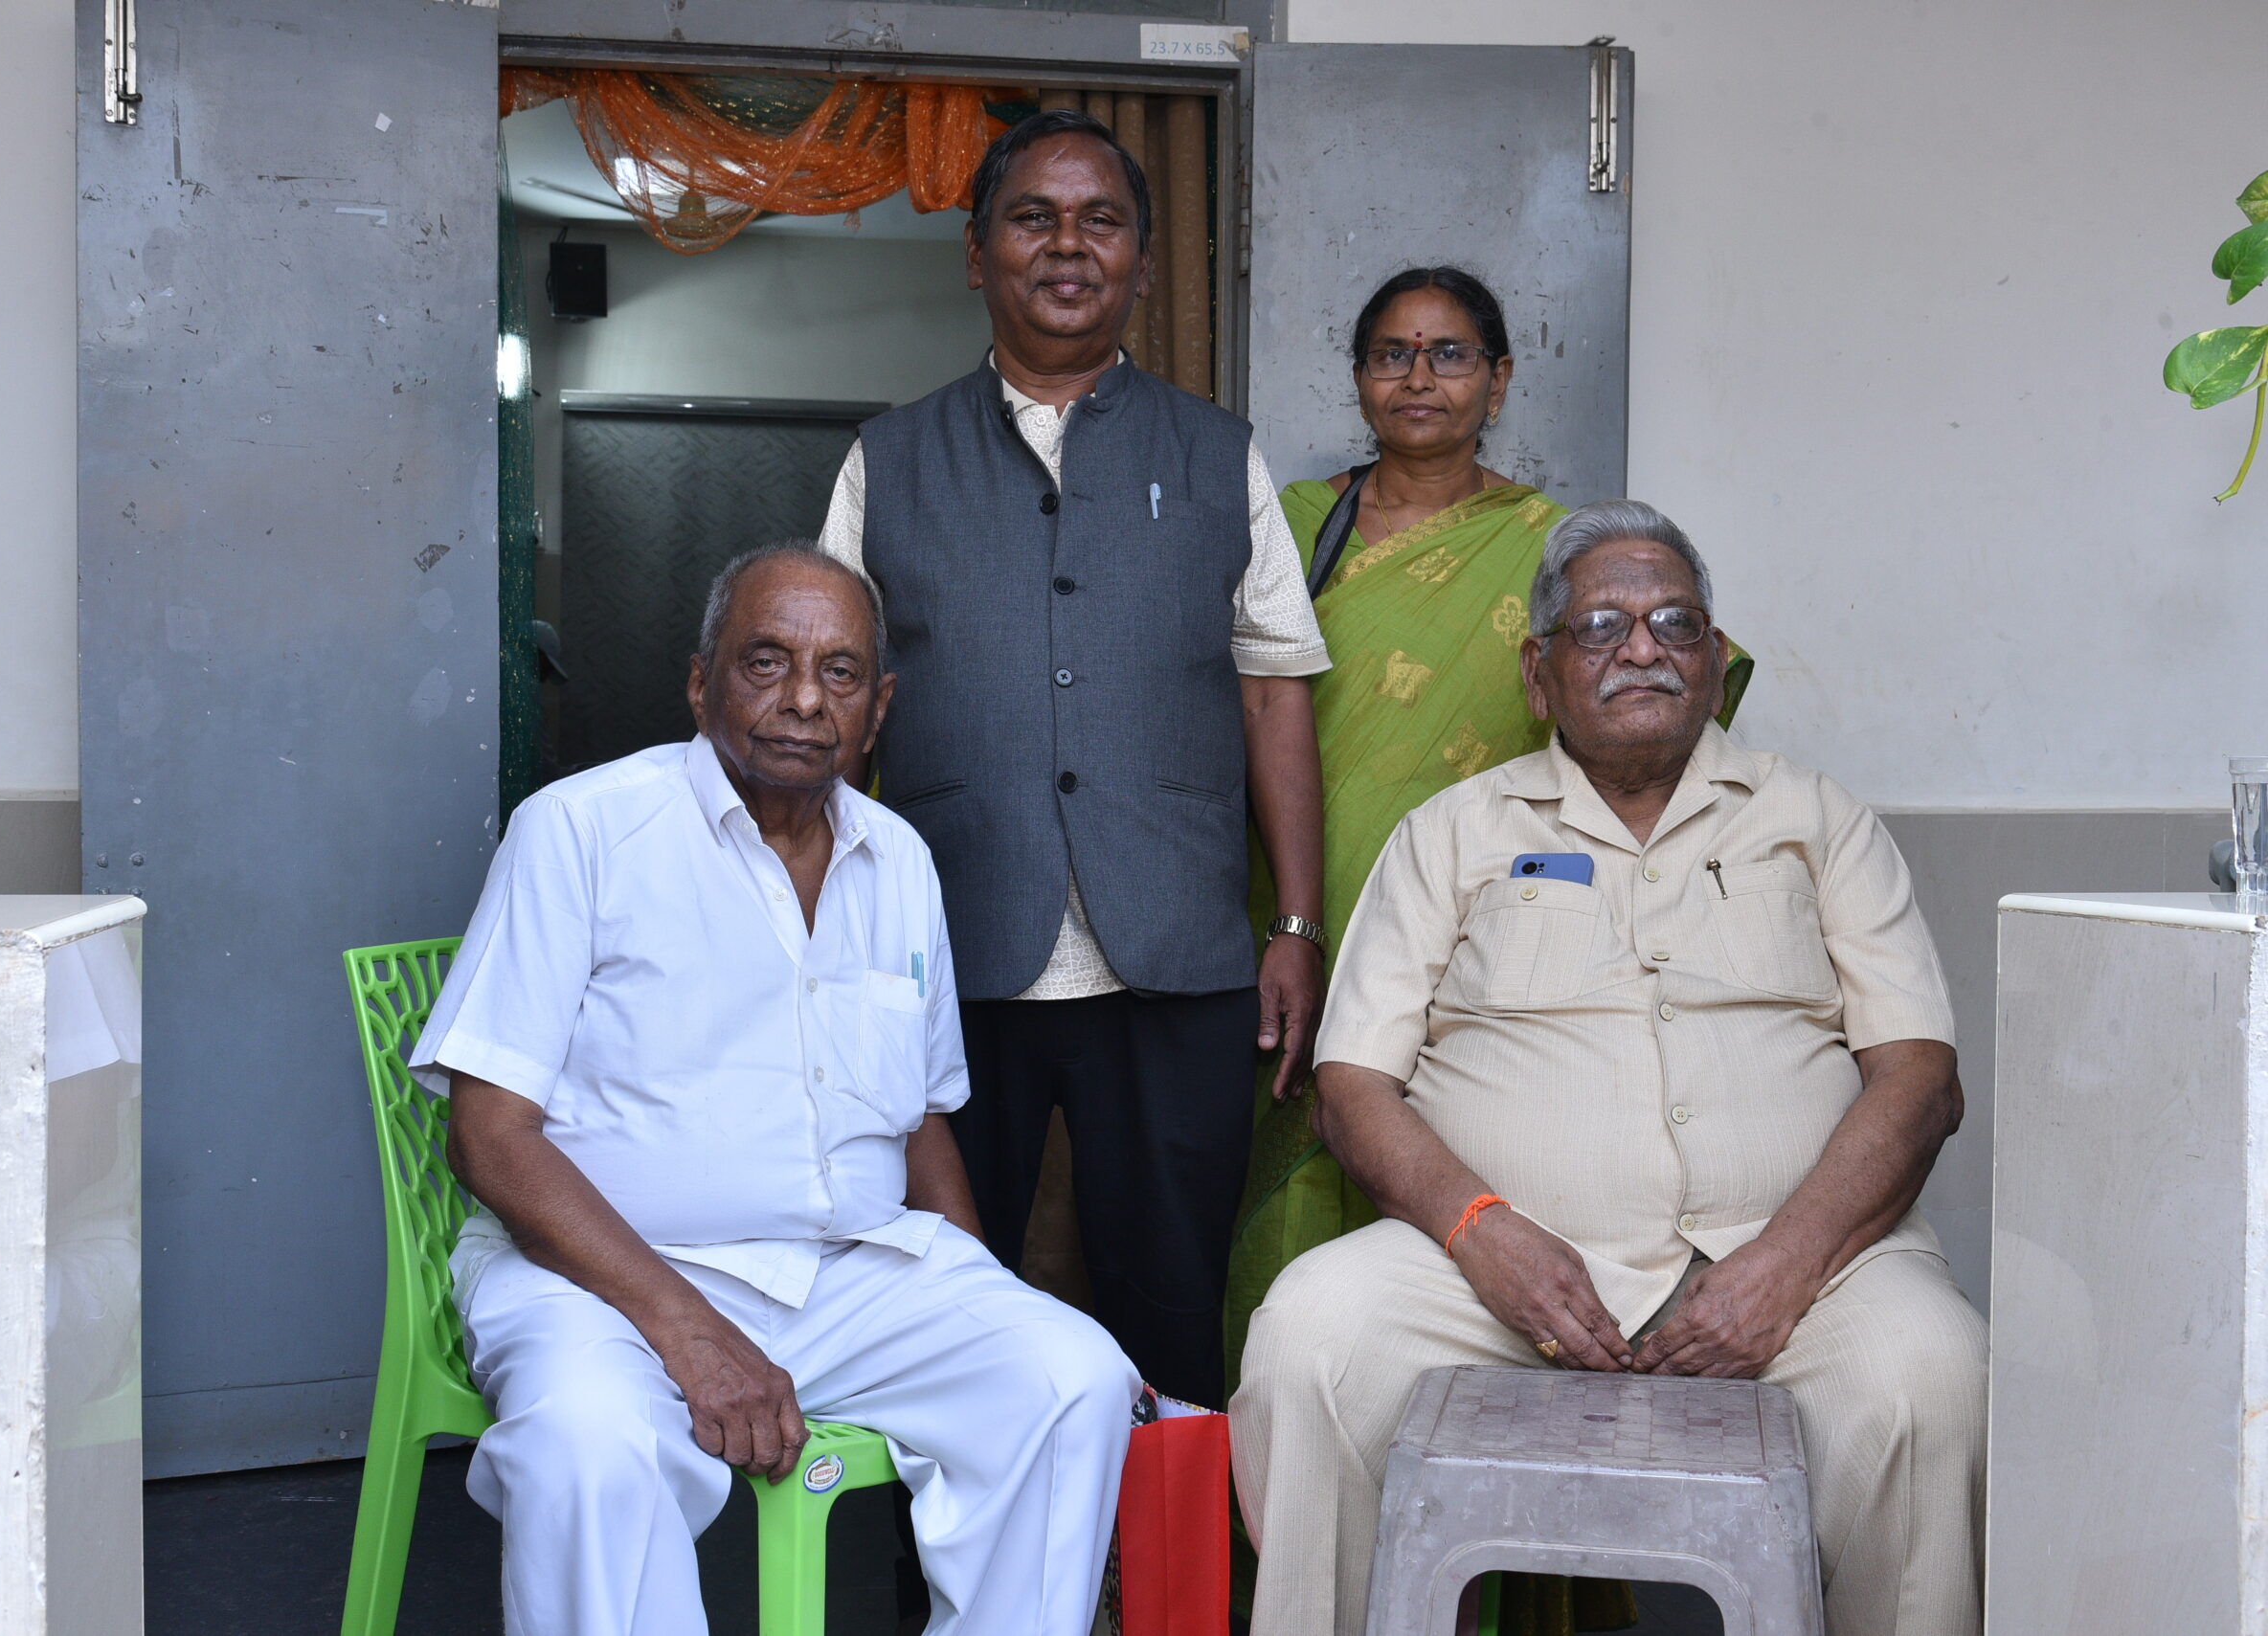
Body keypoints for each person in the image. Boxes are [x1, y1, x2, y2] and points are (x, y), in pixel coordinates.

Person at [1231, 501, 1986, 1636]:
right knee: (1309, 1342)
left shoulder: (1817, 820)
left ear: (1713, 659)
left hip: (1798, 1267)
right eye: (1600, 626)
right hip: (1490, 1272)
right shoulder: (1451, 833)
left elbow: (1921, 1077)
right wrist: (1480, 1231)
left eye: (1674, 622)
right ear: (1538, 674)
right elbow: (1351, 1084)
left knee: (1934, 1374)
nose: (1642, 647)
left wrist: (1783, 1264)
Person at [413, 543, 1138, 1636]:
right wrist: (687, 1327)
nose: (803, 699)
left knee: (1070, 1376)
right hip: (603, 1276)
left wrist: (983, 1299)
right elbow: (490, 1136)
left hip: (846, 1274)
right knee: (587, 1449)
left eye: (840, 672)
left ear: (878, 708)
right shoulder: (582, 828)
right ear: (700, 682)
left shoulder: (898, 858)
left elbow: (919, 1122)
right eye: (766, 661)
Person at [820, 108, 1330, 1412]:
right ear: (975, 253)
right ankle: (949, 1548)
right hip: (948, 952)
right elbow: (825, 704)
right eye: (1031, 218)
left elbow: (1274, 690)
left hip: (1175, 957)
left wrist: (1294, 922)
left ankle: (1156, 1541)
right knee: (934, 1301)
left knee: (1170, 1301)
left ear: (1142, 265)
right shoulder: (888, 459)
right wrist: (824, 931)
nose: (1067, 245)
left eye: (1101, 220)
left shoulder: (1218, 453)